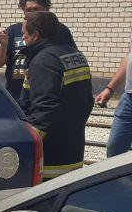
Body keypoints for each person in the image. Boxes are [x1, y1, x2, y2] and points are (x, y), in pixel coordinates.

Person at [20, 10, 92, 180]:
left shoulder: (44, 61)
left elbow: (45, 111)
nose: (23, 38)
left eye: (24, 33)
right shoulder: (75, 55)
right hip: (72, 147)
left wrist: (28, 142)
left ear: (36, 35)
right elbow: (88, 101)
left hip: (52, 158)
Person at [0, 0, 74, 102]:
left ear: (47, 9)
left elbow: (70, 62)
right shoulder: (12, 31)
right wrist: (3, 44)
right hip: (17, 97)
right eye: (28, 10)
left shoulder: (61, 31)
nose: (32, 13)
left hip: (48, 96)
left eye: (36, 9)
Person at [96, 46, 132, 156]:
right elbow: (129, 57)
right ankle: (117, 173)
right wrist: (110, 89)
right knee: (115, 147)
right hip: (129, 99)